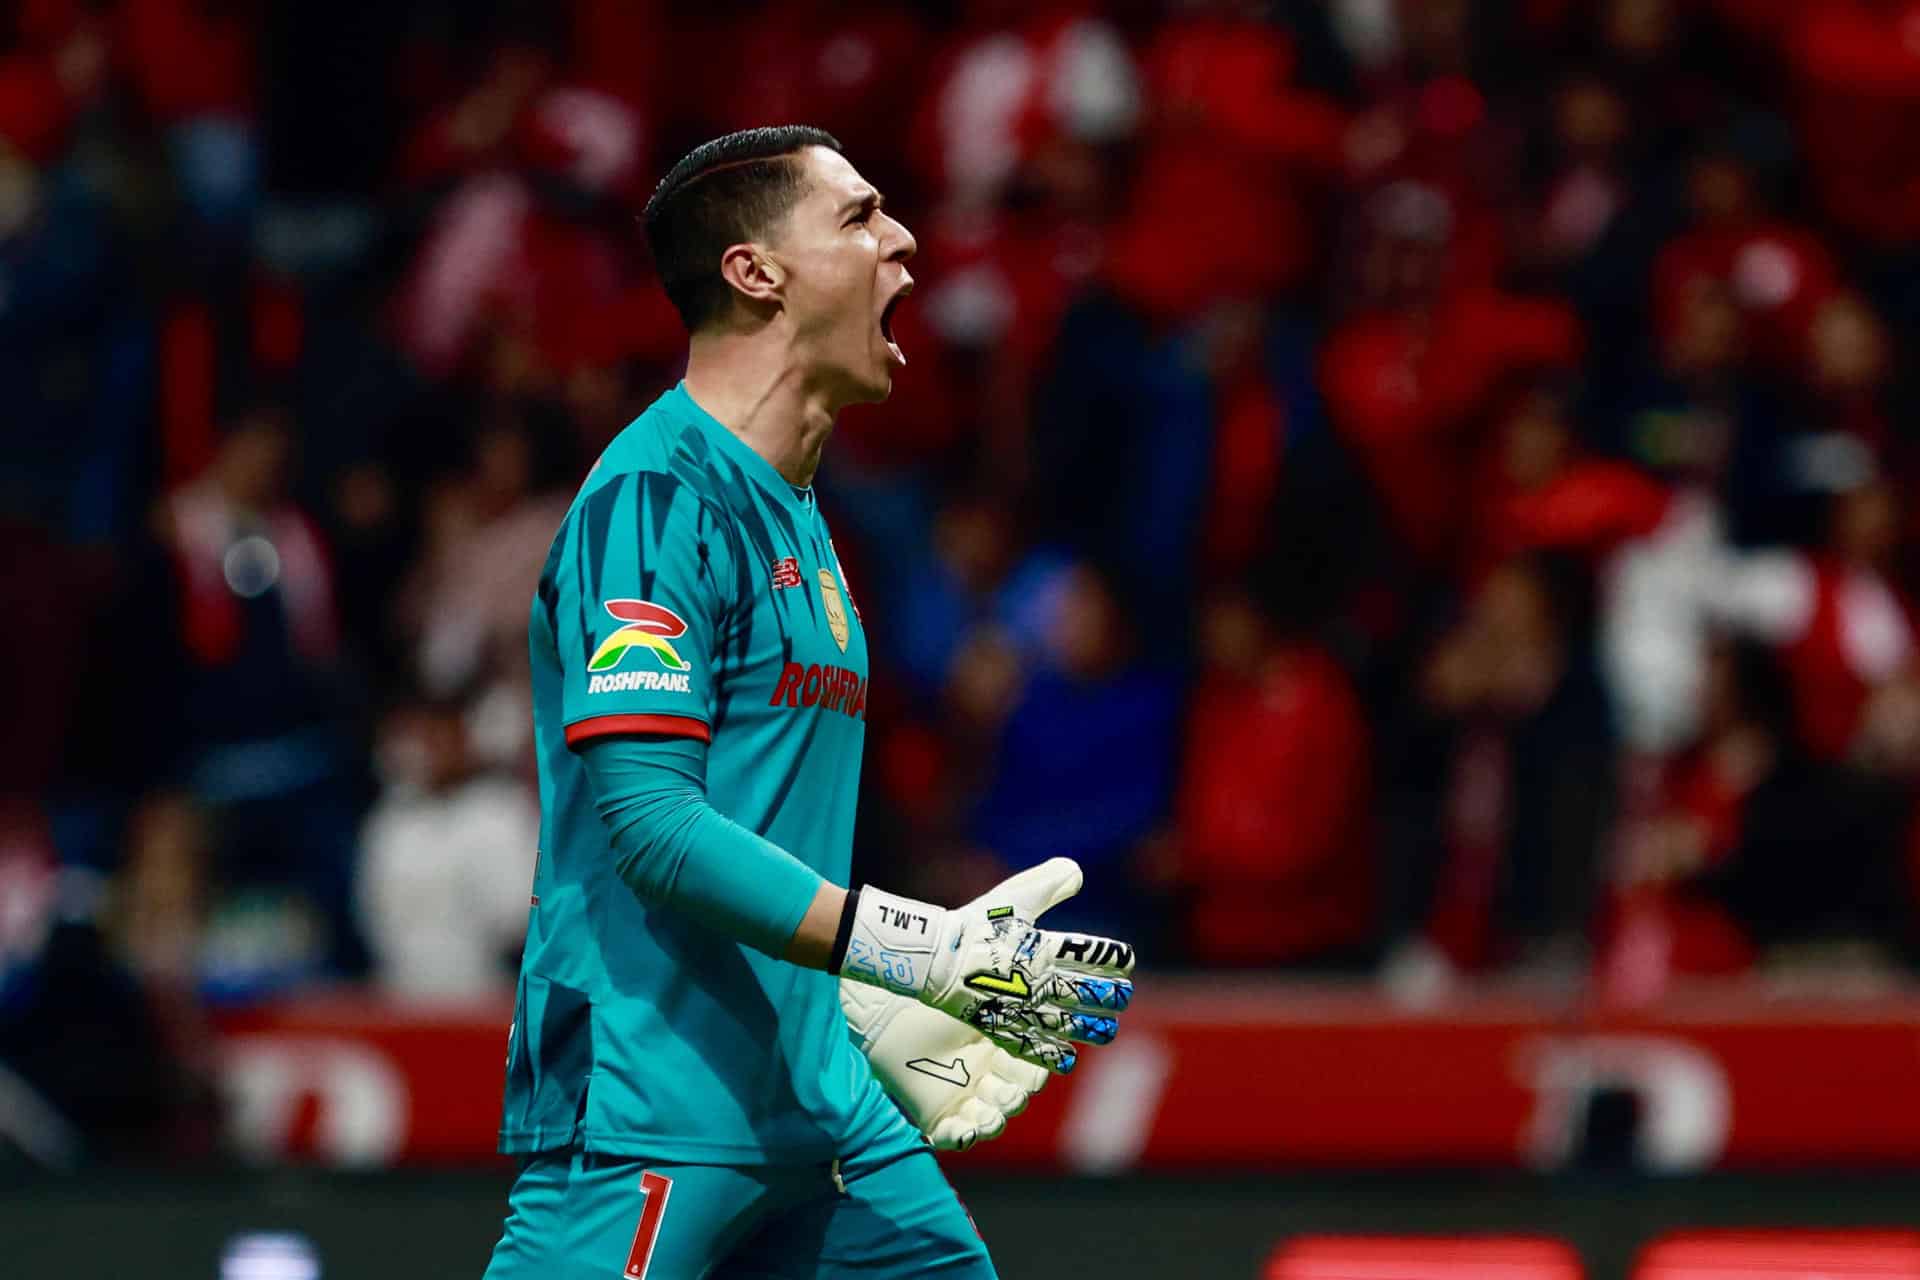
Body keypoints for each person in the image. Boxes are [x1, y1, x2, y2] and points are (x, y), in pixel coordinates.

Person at [482, 126, 1137, 1280]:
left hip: (826, 1115)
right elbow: (654, 826)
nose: (904, 240)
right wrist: (914, 948)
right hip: (647, 1118)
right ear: (756, 271)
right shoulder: (649, 500)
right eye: (860, 216)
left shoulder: (804, 514)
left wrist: (845, 1003)